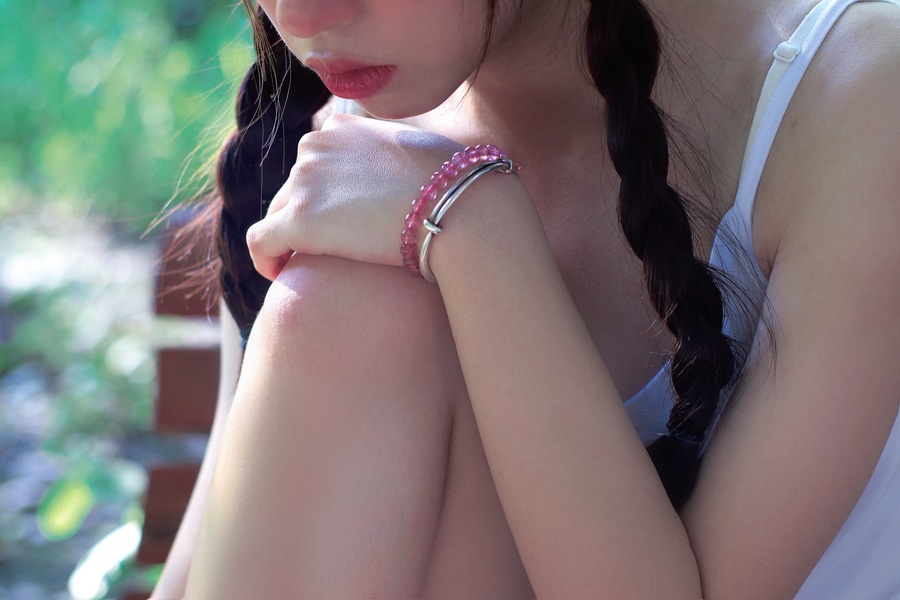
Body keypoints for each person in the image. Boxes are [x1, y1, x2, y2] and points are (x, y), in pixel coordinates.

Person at [151, 0, 900, 597]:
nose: (298, 15)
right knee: (348, 302)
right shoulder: (352, 137)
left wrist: (470, 224)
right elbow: (216, 556)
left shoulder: (858, 95)